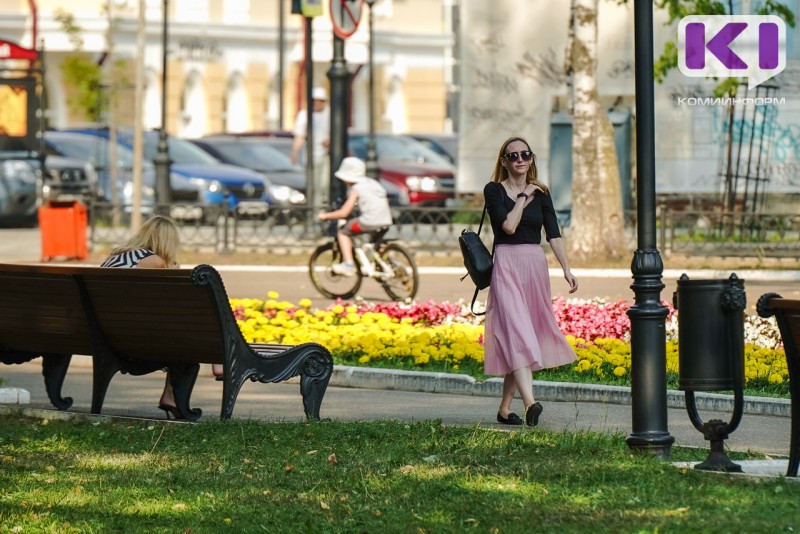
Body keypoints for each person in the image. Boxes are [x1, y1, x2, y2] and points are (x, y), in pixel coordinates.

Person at [483, 136, 579, 427]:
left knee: (522, 335)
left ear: (532, 158)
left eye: (525, 154)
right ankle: (530, 403)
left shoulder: (543, 192)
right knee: (518, 332)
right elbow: (509, 227)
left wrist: (567, 268)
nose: (520, 159)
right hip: (507, 264)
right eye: (513, 156)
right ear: (504, 162)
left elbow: (553, 233)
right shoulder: (494, 190)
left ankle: (503, 409)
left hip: (535, 266)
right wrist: (524, 196)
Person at [100, 215, 190, 419]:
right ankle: (171, 396)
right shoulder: (154, 261)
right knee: (186, 342)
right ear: (167, 241)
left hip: (106, 333)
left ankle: (170, 394)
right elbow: (168, 302)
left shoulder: (114, 256)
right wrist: (173, 272)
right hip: (133, 337)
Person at [318, 156, 393, 276]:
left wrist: (325, 216)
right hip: (386, 220)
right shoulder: (373, 183)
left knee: (344, 232)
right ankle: (383, 262)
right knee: (374, 244)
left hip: (369, 222)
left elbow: (344, 212)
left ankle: (348, 264)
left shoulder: (356, 189)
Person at [291, 86, 331, 209]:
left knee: (325, 184)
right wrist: (295, 152)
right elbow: (300, 135)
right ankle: (314, 213)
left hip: (326, 155)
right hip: (311, 154)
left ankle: (325, 210)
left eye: (320, 100)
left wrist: (330, 141)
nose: (317, 103)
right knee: (313, 185)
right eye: (315, 100)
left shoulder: (330, 113)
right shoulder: (304, 114)